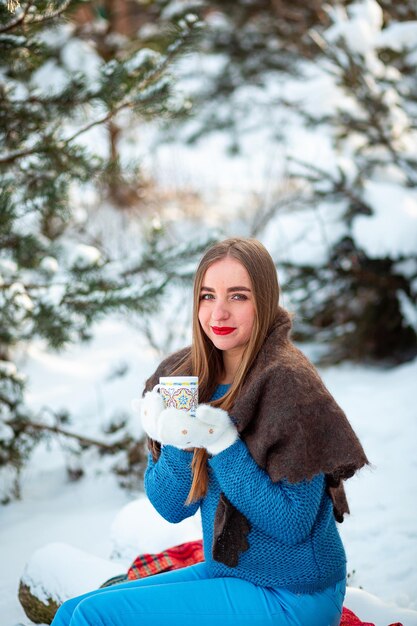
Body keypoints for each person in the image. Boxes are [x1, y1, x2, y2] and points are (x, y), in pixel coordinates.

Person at [51, 237, 368, 626]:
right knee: (70, 613)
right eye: (206, 295)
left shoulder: (288, 384)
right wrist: (176, 439)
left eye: (238, 296)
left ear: (265, 301)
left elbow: (291, 523)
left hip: (296, 593)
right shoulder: (184, 377)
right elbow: (171, 507)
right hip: (233, 573)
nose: (218, 312)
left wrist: (222, 443)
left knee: (94, 617)